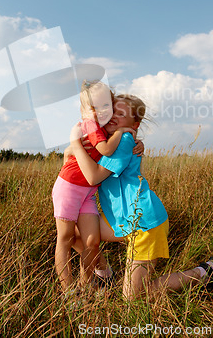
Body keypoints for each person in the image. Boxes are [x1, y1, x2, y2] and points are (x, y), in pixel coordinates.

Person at [70, 94, 213, 299]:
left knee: (133, 299)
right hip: (123, 220)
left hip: (144, 224)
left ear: (135, 124)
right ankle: (105, 276)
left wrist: (76, 145)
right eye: (113, 111)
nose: (114, 116)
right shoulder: (109, 141)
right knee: (76, 233)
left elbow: (93, 177)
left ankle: (202, 273)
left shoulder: (123, 140)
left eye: (122, 114)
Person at [52, 81, 138, 295]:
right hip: (70, 187)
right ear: (82, 111)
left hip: (88, 192)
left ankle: (86, 285)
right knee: (65, 238)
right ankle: (69, 291)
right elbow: (107, 151)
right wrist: (123, 131)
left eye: (104, 106)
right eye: (92, 107)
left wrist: (136, 139)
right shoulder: (89, 125)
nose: (98, 111)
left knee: (91, 240)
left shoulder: (103, 129)